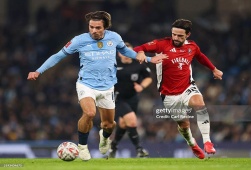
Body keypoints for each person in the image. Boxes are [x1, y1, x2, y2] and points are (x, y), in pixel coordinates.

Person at [27, 11, 166, 161]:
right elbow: (58, 56)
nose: (93, 30)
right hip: (86, 84)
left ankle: (104, 137)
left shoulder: (115, 37)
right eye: (91, 27)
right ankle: (82, 146)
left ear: (105, 27)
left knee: (109, 124)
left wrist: (150, 59)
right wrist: (38, 71)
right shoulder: (79, 40)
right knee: (90, 113)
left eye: (98, 27)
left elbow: (126, 51)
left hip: (107, 87)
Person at [133, 19, 223, 159]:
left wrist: (214, 69)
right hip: (169, 95)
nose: (176, 38)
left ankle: (207, 141)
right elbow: (137, 48)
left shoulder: (192, 47)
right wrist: (140, 53)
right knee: (184, 123)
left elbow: (200, 57)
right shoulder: (161, 44)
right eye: (174, 34)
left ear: (187, 35)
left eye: (180, 36)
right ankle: (192, 143)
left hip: (188, 87)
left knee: (200, 104)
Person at [108, 42, 151, 158]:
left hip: (132, 98)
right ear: (119, 54)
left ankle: (113, 147)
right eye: (123, 52)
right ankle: (139, 149)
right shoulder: (113, 64)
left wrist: (141, 86)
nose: (126, 54)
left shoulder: (139, 64)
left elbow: (148, 78)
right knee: (132, 121)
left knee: (123, 123)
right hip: (117, 98)